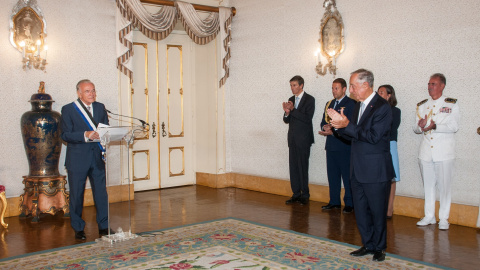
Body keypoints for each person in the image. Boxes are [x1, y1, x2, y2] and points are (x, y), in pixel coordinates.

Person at [328, 69, 394, 262]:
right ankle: (368, 243)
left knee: (377, 210)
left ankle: (380, 247)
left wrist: (346, 124)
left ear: (366, 85)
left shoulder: (382, 107)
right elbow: (354, 135)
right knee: (361, 210)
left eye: (353, 86)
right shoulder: (358, 106)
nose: (351, 90)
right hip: (357, 167)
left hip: (375, 170)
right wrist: (337, 127)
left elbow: (372, 137)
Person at [61, 79, 111, 240]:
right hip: (77, 159)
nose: (92, 94)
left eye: (94, 90)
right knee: (77, 194)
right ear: (79, 93)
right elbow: (65, 135)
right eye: (88, 91)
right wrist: (85, 134)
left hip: (96, 157)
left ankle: (104, 227)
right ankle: (78, 228)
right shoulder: (69, 109)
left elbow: (105, 128)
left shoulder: (100, 107)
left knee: (101, 194)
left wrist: (105, 135)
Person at [414, 73, 460, 230]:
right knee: (428, 185)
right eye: (429, 84)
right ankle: (429, 216)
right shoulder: (422, 105)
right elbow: (416, 128)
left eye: (433, 84)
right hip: (426, 152)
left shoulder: (451, 104)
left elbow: (454, 127)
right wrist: (420, 126)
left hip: (444, 152)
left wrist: (435, 126)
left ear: (442, 86)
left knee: (444, 186)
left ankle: (444, 218)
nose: (430, 87)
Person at [319, 78, 356, 213]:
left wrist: (333, 130)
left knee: (347, 176)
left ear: (344, 89)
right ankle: (334, 201)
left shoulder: (351, 104)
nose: (334, 91)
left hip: (344, 145)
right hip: (331, 145)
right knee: (332, 175)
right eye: (333, 88)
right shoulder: (329, 103)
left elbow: (350, 125)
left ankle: (349, 203)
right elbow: (323, 120)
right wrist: (325, 127)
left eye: (337, 88)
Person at [283, 75, 315, 205]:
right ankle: (296, 193)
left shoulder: (309, 99)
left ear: (301, 85)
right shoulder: (291, 99)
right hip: (292, 139)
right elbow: (286, 120)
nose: (292, 88)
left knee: (303, 167)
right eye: (291, 85)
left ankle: (305, 195)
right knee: (293, 167)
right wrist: (286, 113)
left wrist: (293, 110)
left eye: (294, 85)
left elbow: (307, 118)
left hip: (304, 139)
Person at [377, 85, 401, 218]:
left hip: (389, 144)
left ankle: (389, 209)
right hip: (376, 145)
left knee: (391, 178)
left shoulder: (395, 111)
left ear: (389, 95)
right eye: (378, 92)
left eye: (381, 92)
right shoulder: (373, 110)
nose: (378, 94)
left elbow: (391, 128)